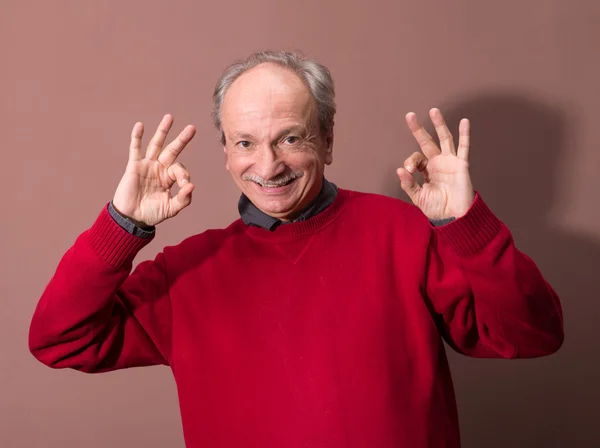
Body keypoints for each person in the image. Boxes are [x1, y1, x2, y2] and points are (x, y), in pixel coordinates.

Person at [28, 51, 564, 448]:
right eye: (245, 143)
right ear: (225, 152)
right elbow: (58, 339)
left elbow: (532, 334)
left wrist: (463, 223)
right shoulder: (186, 272)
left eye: (291, 138)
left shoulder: (405, 232)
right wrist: (120, 226)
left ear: (328, 139)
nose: (268, 166)